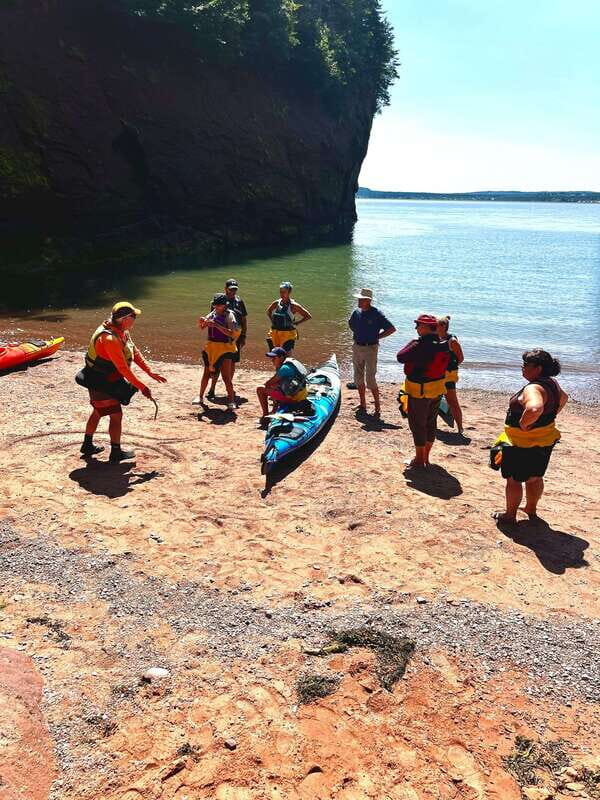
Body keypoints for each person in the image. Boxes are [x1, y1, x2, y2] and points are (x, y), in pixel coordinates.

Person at [78, 301, 167, 462]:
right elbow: (123, 369)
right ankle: (116, 452)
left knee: (98, 411)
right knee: (116, 415)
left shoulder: (121, 331)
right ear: (124, 318)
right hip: (100, 382)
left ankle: (87, 445)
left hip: (105, 380)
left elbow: (134, 351)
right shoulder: (109, 338)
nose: (135, 319)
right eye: (133, 316)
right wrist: (142, 387)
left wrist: (150, 372)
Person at [492, 349, 568, 525]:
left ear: (538, 368)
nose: (522, 368)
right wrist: (550, 416)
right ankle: (531, 509)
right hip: (545, 440)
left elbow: (534, 408)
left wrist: (524, 424)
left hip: (522, 443)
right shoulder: (552, 383)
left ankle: (510, 515)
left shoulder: (533, 388)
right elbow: (563, 398)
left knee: (514, 480)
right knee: (535, 477)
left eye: (526, 365)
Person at [396, 314, 451, 468]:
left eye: (418, 325)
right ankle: (426, 457)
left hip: (419, 393)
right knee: (430, 423)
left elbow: (400, 357)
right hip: (437, 390)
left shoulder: (419, 345)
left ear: (427, 327)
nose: (416, 328)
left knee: (418, 425)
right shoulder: (443, 343)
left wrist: (413, 343)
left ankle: (419, 460)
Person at [348, 288, 396, 417]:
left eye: (361, 299)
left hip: (370, 348)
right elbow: (351, 324)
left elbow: (391, 329)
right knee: (358, 377)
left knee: (370, 378)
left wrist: (377, 337)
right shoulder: (356, 313)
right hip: (357, 347)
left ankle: (377, 407)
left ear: (368, 301)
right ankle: (363, 403)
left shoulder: (377, 314)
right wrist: (360, 334)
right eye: (358, 299)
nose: (358, 301)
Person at [194, 294, 240, 410]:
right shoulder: (213, 313)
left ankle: (231, 401)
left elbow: (232, 333)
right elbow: (202, 327)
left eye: (219, 305)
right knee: (206, 374)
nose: (216, 306)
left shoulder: (230, 316)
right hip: (211, 347)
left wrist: (217, 325)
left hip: (225, 348)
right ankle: (200, 397)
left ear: (225, 305)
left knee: (226, 377)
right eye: (215, 304)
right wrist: (202, 322)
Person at [207, 278, 248, 400]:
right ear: (226, 289)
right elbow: (211, 320)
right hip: (219, 338)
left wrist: (243, 336)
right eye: (231, 290)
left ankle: (228, 388)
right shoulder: (218, 301)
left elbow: (244, 320)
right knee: (217, 364)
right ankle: (212, 388)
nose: (233, 292)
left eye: (235, 290)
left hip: (235, 337)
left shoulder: (239, 302)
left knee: (232, 364)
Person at [256, 346, 309, 420]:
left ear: (281, 357)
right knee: (275, 386)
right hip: (301, 396)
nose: (272, 360)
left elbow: (268, 383)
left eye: (274, 358)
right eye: (271, 358)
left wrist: (270, 388)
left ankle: (265, 415)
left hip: (294, 400)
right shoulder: (289, 364)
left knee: (260, 389)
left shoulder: (284, 368)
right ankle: (274, 411)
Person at [437, 315, 466, 435]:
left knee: (452, 401)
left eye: (436, 326)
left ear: (443, 326)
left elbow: (461, 358)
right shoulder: (436, 337)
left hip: (449, 375)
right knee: (433, 400)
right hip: (437, 374)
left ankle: (460, 427)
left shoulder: (452, 341)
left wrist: (450, 367)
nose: (434, 327)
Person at [266, 282, 311, 353]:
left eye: (284, 292)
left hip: (288, 334)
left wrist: (297, 323)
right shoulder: (277, 303)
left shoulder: (293, 306)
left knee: (286, 354)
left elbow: (308, 316)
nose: (282, 294)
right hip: (275, 333)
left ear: (289, 292)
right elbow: (268, 311)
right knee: (274, 355)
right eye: (280, 292)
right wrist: (272, 320)